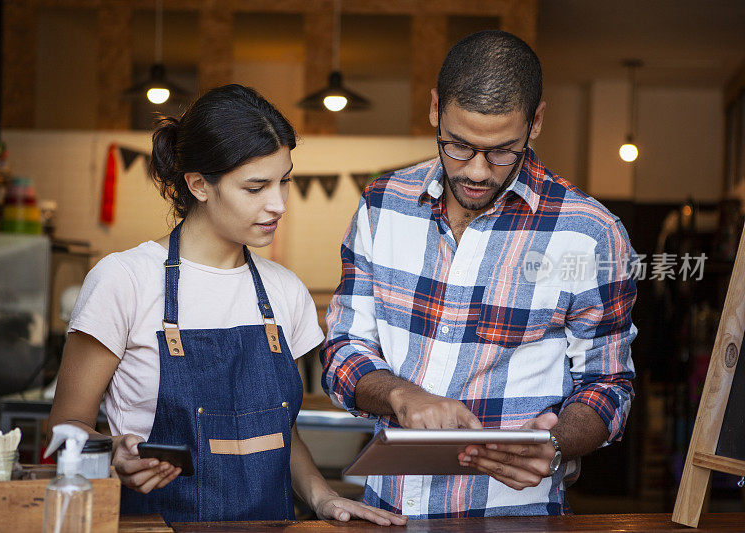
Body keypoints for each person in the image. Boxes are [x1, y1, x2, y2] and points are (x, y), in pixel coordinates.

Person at [48, 84, 407, 527]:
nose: (278, 205)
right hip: (156, 526)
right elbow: (66, 426)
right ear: (198, 184)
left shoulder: (284, 291)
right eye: (256, 187)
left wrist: (322, 497)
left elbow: (278, 432)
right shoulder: (124, 280)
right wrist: (111, 452)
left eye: (285, 181)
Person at [321, 30, 637, 517]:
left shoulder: (591, 234)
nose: (476, 171)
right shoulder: (382, 205)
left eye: (501, 151)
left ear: (536, 122)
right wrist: (401, 394)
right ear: (434, 110)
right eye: (458, 146)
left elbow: (609, 384)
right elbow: (344, 350)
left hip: (517, 517)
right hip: (386, 514)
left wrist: (555, 444)